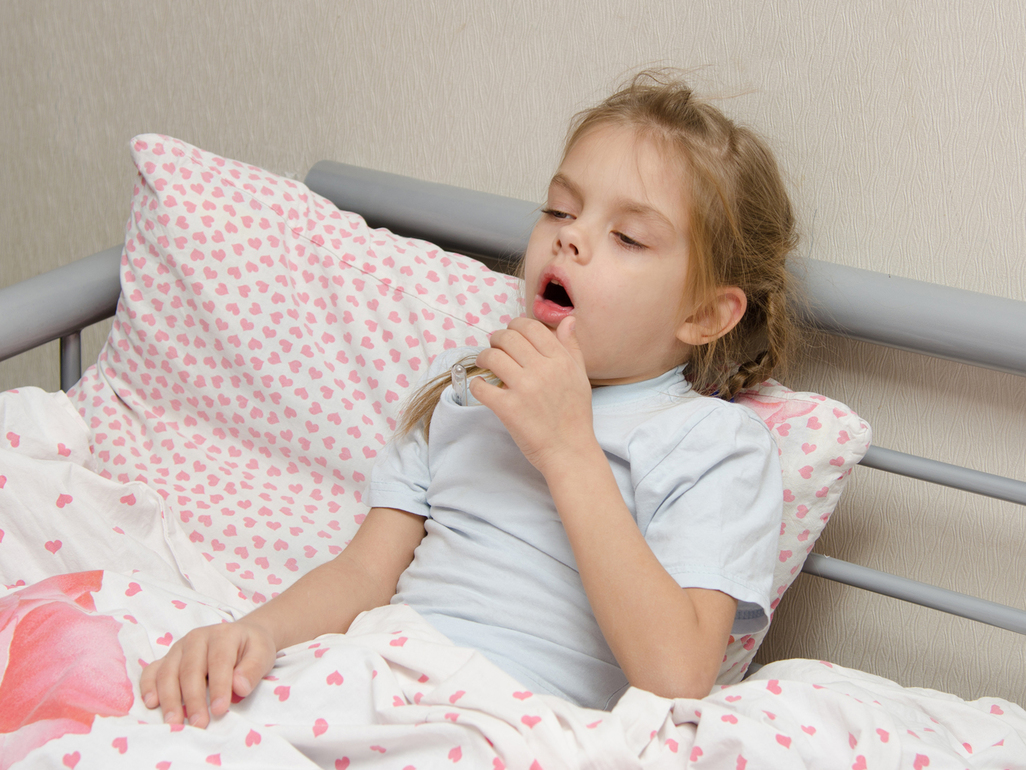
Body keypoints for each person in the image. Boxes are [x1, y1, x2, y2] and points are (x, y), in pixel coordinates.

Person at [141, 69, 797, 727]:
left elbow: (676, 677)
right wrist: (257, 633)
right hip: (379, 677)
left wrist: (568, 449)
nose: (569, 237)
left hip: (515, 725)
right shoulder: (466, 389)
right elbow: (364, 574)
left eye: (627, 237)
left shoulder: (716, 444)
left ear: (706, 316)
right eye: (560, 210)